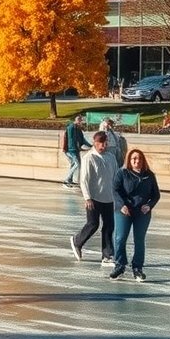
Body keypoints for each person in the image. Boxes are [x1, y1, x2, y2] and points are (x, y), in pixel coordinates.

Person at [109, 148, 161, 282]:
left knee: (139, 240)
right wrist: (122, 205)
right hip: (124, 211)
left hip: (142, 213)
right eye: (134, 159)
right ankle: (120, 265)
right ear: (129, 160)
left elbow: (156, 195)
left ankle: (137, 268)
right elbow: (115, 190)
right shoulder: (122, 173)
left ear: (143, 160)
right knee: (120, 238)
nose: (137, 161)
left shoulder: (149, 175)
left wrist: (149, 205)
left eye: (139, 159)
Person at [69, 131, 118, 265]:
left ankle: (107, 255)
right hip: (94, 198)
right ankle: (77, 241)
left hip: (108, 197)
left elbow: (116, 176)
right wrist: (87, 198)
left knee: (109, 226)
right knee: (93, 224)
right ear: (95, 143)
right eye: (101, 143)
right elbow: (84, 179)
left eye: (105, 143)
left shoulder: (111, 157)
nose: (104, 145)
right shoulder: (89, 158)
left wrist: (118, 195)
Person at [61, 115, 91, 188]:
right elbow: (71, 139)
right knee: (77, 164)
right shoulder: (71, 128)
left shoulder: (78, 129)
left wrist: (90, 145)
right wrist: (75, 148)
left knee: (73, 164)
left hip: (76, 150)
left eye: (81, 121)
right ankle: (66, 180)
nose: (81, 122)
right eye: (80, 121)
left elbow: (82, 139)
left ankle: (69, 181)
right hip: (71, 150)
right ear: (76, 120)